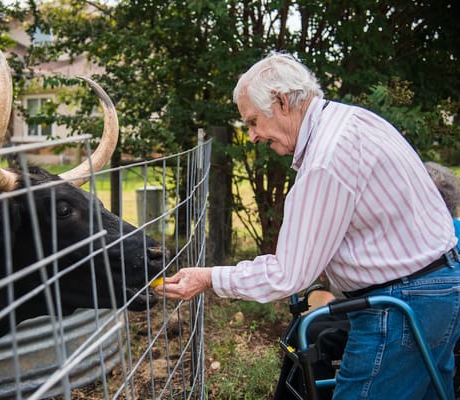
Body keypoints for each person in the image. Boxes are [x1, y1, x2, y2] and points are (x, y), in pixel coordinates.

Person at [154, 52, 460, 399]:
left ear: (282, 101)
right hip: (440, 287)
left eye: (253, 121)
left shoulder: (326, 159)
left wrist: (209, 277)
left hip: (401, 306)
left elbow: (288, 274)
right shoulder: (353, 120)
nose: (252, 135)